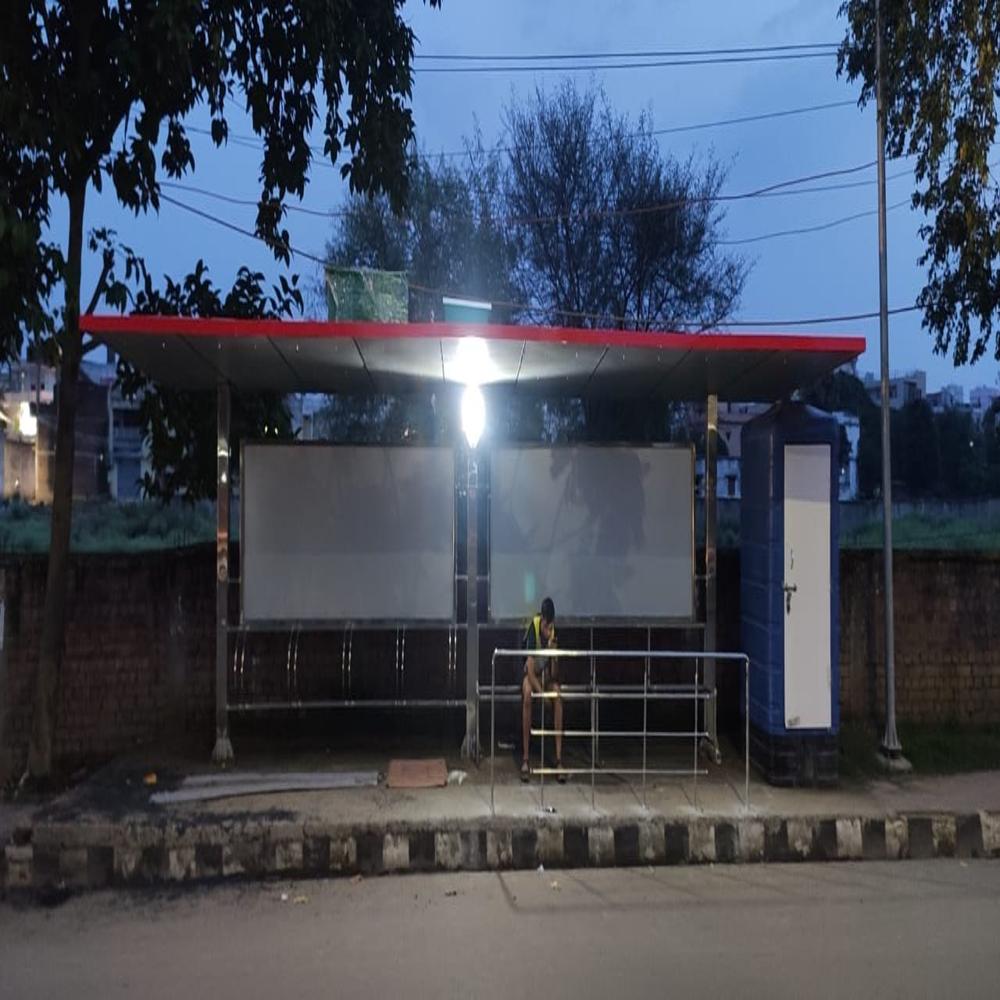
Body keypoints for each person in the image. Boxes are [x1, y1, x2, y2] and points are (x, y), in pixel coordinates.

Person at [521, 596, 565, 783]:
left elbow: (554, 674)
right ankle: (525, 758)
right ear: (543, 622)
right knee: (528, 694)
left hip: (545, 675)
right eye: (548, 628)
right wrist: (542, 695)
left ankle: (559, 759)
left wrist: (554, 654)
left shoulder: (554, 633)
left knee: (558, 694)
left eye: (551, 628)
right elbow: (530, 673)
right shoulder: (534, 628)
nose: (550, 631)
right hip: (530, 674)